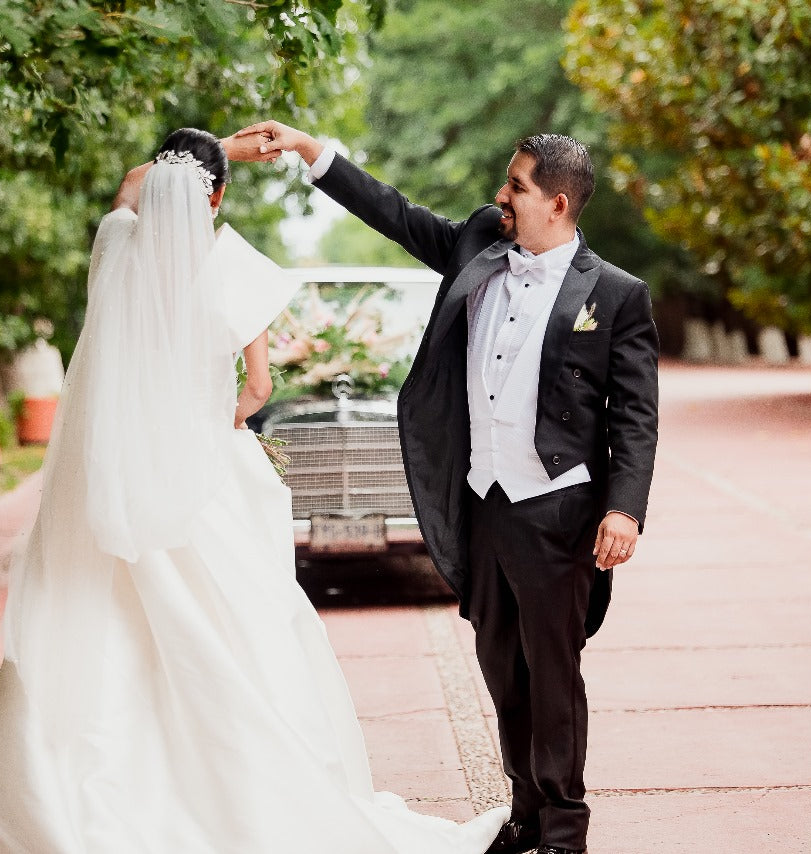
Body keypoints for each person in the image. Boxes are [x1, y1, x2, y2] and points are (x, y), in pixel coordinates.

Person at [0, 127, 509, 853]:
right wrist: (200, 417)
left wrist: (208, 151)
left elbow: (132, 190)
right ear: (217, 197)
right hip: (208, 483)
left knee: (109, 627)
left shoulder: (116, 247)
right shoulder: (237, 271)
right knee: (240, 634)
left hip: (125, 478)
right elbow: (256, 390)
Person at [236, 121, 659, 854]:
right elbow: (394, 213)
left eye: (517, 186)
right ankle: (525, 810)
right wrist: (312, 150)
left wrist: (624, 507)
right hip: (484, 504)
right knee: (501, 665)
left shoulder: (616, 295)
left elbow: (638, 416)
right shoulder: (477, 244)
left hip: (559, 508)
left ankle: (564, 829)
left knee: (554, 674)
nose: (502, 194)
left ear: (557, 203)